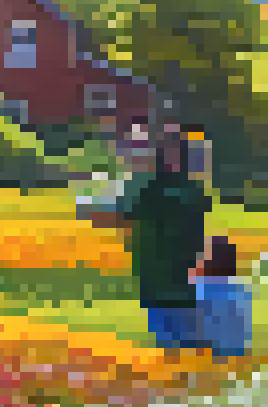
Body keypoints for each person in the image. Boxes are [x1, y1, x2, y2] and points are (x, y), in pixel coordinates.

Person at [91, 131, 212, 352]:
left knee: (179, 317)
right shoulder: (153, 188)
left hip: (178, 263)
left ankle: (189, 355)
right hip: (154, 263)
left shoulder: (186, 189)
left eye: (175, 153)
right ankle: (180, 357)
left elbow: (197, 225)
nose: (171, 159)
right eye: (168, 153)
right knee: (165, 321)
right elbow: (124, 217)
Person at [191, 235, 252, 360]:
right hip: (238, 349)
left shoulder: (204, 285)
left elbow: (205, 321)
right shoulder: (242, 286)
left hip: (214, 349)